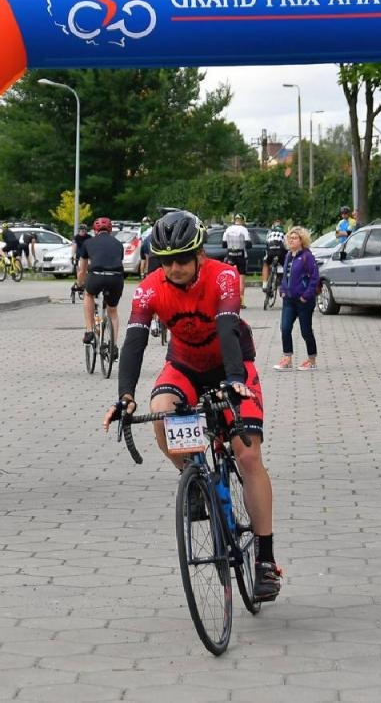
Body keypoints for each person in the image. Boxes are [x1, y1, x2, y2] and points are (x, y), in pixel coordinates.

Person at [100, 210, 282, 601]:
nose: (176, 267)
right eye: (167, 260)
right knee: (163, 411)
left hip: (231, 365)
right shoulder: (149, 288)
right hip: (184, 366)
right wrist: (125, 396)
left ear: (200, 254)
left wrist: (234, 381)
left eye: (183, 258)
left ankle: (265, 560)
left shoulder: (224, 276)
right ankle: (194, 476)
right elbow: (133, 342)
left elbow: (227, 327)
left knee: (247, 456)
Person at [275, 227, 320, 372]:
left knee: (306, 331)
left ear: (302, 240)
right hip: (289, 300)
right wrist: (282, 290)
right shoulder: (288, 255)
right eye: (290, 238)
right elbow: (285, 276)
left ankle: (311, 360)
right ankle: (287, 358)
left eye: (295, 238)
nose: (291, 240)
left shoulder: (307, 256)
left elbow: (314, 278)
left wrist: (306, 296)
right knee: (285, 328)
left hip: (303, 301)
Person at [81, 217, 126, 347]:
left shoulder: (88, 243)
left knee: (88, 295)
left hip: (96, 276)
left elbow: (82, 270)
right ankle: (114, 345)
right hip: (116, 278)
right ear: (110, 230)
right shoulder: (118, 244)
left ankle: (89, 331)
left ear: (95, 230)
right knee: (113, 311)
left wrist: (80, 284)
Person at [221, 215, 251, 298]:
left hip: (230, 254)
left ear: (234, 220)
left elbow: (223, 244)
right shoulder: (244, 229)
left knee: (228, 276)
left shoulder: (228, 229)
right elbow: (249, 245)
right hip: (241, 255)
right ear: (243, 221)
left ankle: (227, 297)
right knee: (241, 278)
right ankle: (241, 300)